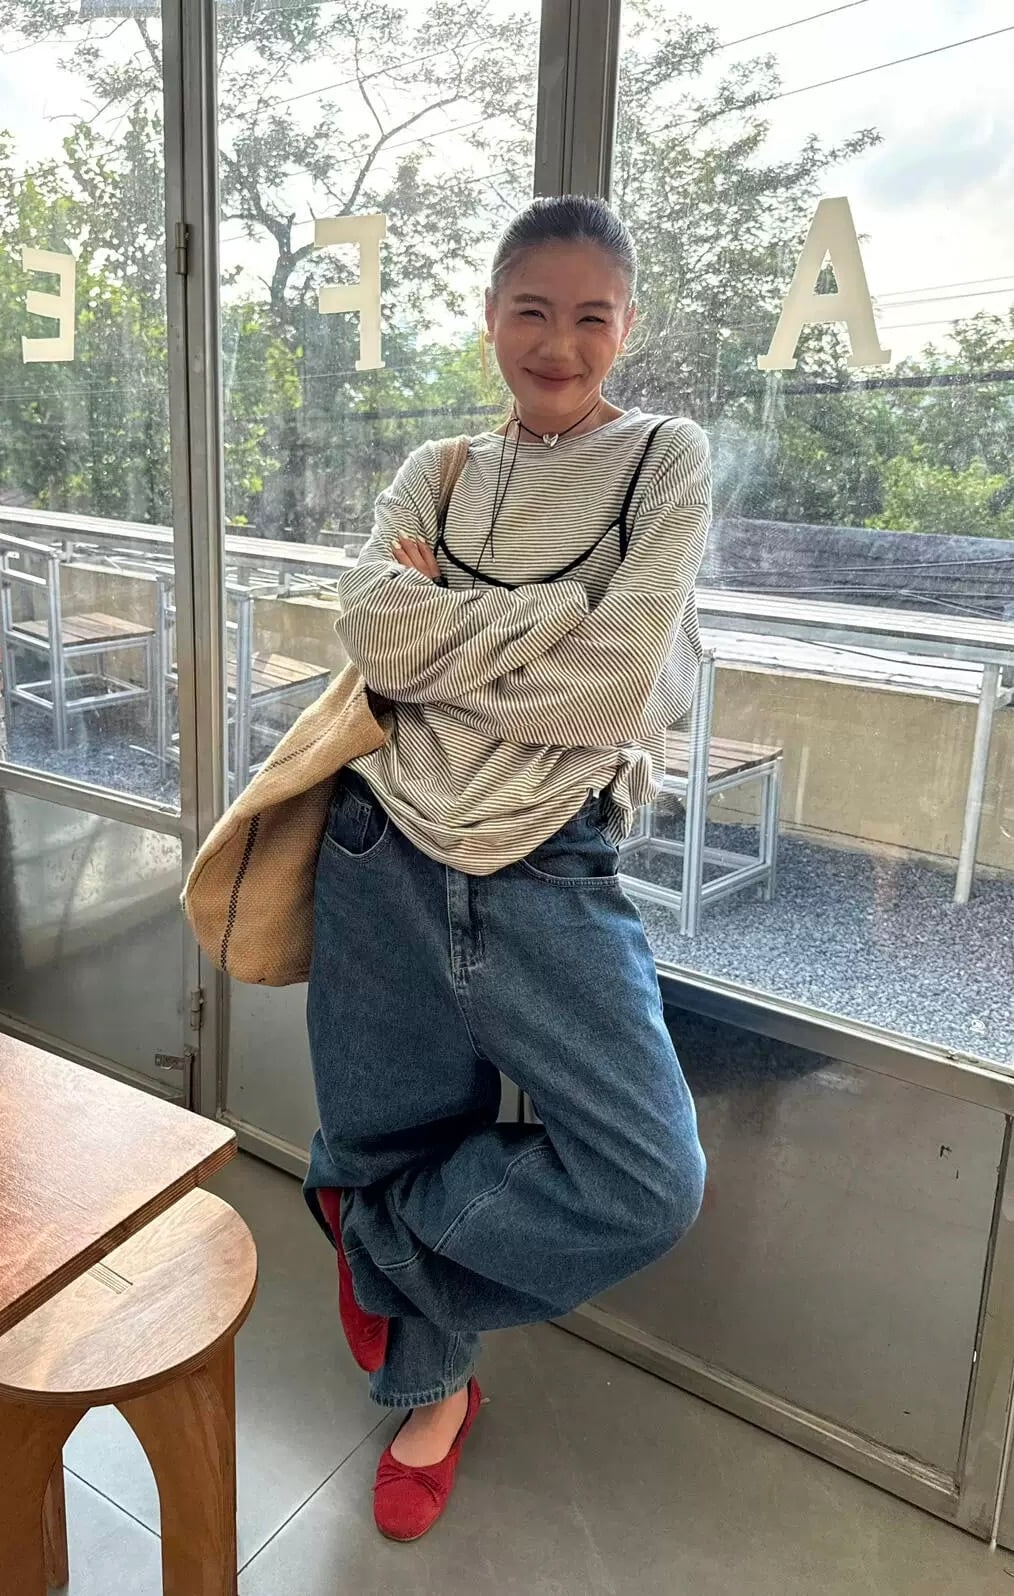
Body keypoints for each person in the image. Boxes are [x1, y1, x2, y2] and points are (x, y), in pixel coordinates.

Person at [303, 194, 711, 1542]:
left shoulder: (662, 459)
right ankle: (432, 1397)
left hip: (550, 862)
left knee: (646, 1178)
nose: (558, 342)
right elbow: (373, 634)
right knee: (393, 1135)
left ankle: (373, 1238)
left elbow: (619, 684)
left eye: (590, 316)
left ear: (625, 328)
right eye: (531, 309)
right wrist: (549, 617)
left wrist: (455, 627)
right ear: (489, 316)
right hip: (377, 845)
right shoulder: (435, 469)